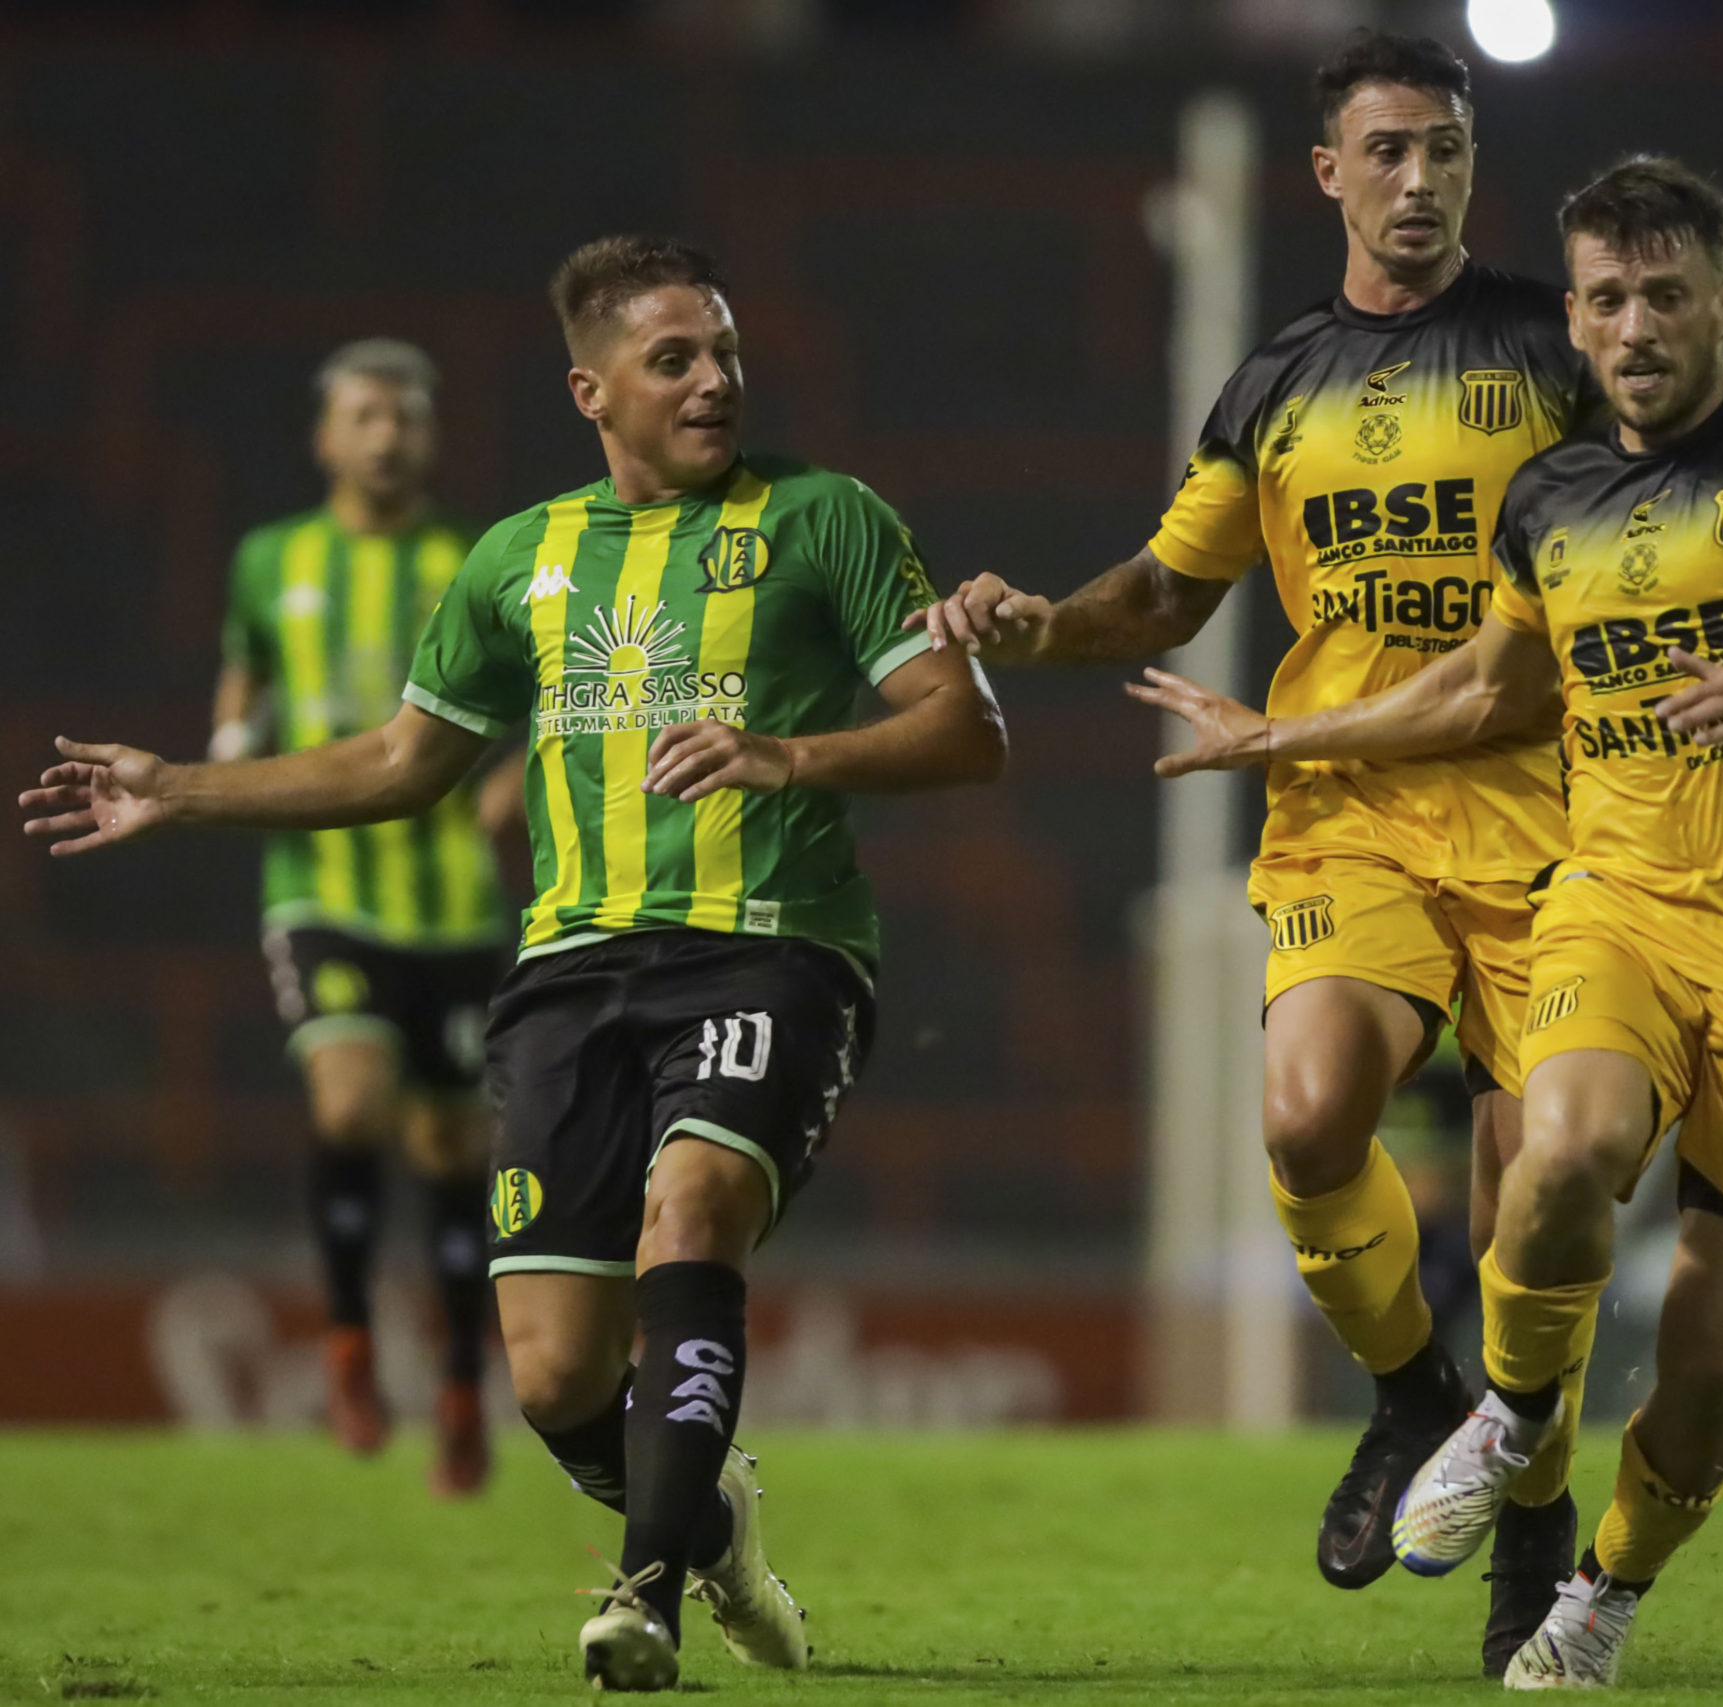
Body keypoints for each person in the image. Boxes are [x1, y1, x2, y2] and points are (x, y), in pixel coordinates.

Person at [24, 235, 1006, 1693]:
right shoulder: (517, 559)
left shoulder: (826, 518)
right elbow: (403, 759)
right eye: (672, 359)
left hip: (769, 949)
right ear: (590, 392)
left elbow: (965, 729)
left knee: (693, 1208)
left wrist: (789, 754)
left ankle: (647, 1595)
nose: (714, 380)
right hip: (569, 975)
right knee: (550, 1377)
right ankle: (709, 1524)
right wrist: (181, 788)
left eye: (725, 351)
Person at [1134, 155, 1723, 1689]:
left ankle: (1605, 1584)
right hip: (1616, 907)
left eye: (1666, 294)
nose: (1636, 325)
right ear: (1578, 324)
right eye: (1608, 299)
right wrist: (1280, 736)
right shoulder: (1551, 497)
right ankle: (1512, 1414)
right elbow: (1485, 686)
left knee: (1716, 1349)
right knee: (1563, 1148)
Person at [908, 28, 1603, 1672]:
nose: (1418, 179)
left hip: (1552, 820)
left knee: (1532, 1213)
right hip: (1347, 814)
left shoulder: (1557, 349)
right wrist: (1041, 622)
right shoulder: (1276, 383)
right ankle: (1413, 1397)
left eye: (1445, 148)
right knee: (1304, 1116)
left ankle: (1532, 1517)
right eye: (1388, 150)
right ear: (1328, 171)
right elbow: (1167, 590)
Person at [213, 338, 517, 1495]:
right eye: (366, 417)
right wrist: (231, 741)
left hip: (452, 901)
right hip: (323, 882)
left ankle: (460, 1385)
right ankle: (348, 1343)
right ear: (326, 437)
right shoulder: (270, 558)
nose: (387, 437)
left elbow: (546, 696)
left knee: (453, 1150)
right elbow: (247, 669)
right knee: (349, 1101)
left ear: (430, 437)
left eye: (406, 418)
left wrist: (512, 781)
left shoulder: (472, 561)